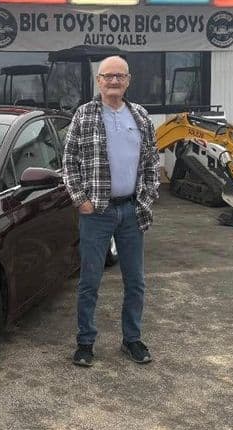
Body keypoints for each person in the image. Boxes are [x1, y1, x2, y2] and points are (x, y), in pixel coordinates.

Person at [62, 56, 161, 367]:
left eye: (119, 76)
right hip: (97, 213)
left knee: (136, 281)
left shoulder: (141, 116)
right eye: (108, 77)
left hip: (131, 211)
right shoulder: (84, 116)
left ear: (128, 81)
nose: (114, 82)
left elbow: (151, 164)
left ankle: (132, 339)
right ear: (99, 81)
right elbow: (69, 163)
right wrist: (81, 199)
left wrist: (146, 198)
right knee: (89, 281)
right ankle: (85, 342)